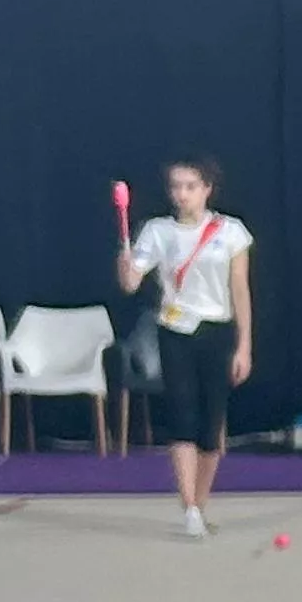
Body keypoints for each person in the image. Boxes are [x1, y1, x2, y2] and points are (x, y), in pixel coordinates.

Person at [114, 154, 254, 535]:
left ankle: (201, 503)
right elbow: (130, 284)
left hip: (217, 330)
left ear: (207, 189)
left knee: (212, 427)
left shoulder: (231, 231)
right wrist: (125, 264)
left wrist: (244, 346)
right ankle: (188, 507)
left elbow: (239, 290)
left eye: (190, 186)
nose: (182, 194)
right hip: (175, 330)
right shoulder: (157, 231)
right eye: (176, 187)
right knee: (182, 416)